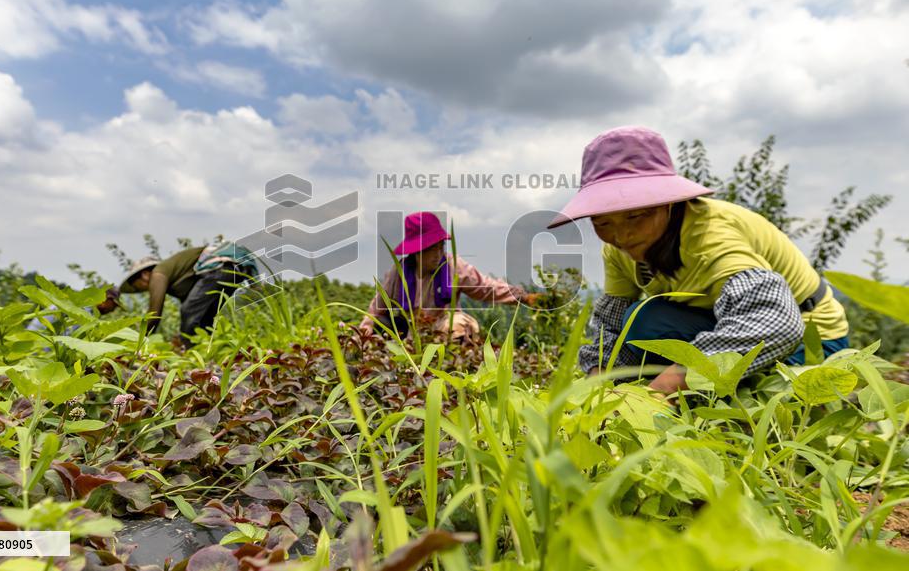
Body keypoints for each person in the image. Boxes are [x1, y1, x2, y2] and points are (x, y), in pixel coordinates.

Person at [548, 126, 850, 395]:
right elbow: (611, 325)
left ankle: (703, 399)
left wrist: (665, 387)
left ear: (666, 204)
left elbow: (776, 325)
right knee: (640, 321)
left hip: (809, 338)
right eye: (603, 223)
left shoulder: (711, 237)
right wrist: (598, 384)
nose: (622, 235)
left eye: (636, 216)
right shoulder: (617, 250)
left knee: (751, 395)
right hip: (720, 323)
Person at [359, 211, 541, 343]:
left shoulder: (453, 266)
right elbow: (377, 310)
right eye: (431, 249)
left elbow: (486, 288)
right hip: (411, 331)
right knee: (380, 324)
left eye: (440, 247)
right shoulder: (398, 273)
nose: (438, 253)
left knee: (457, 324)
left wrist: (523, 297)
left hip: (443, 327)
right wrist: (361, 335)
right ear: (417, 252)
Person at [120, 241, 259, 345]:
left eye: (137, 286)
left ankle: (188, 352)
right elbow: (194, 304)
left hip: (219, 267)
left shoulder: (157, 274)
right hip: (233, 271)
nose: (142, 289)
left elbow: (154, 314)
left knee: (188, 312)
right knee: (205, 319)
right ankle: (207, 350)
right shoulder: (176, 277)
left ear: (144, 275)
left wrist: (138, 341)